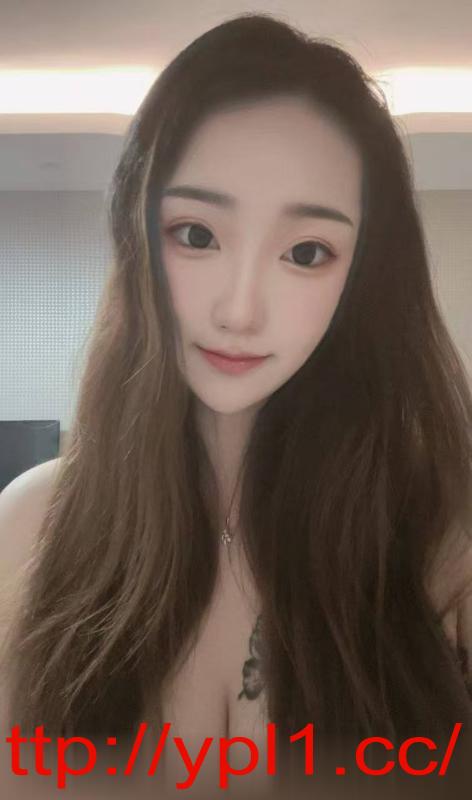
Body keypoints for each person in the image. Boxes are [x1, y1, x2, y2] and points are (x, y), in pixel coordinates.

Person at [1, 11, 471, 796]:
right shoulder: (30, 529)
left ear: (360, 278)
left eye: (306, 252)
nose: (240, 310)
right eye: (196, 235)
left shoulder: (440, 537)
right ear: (136, 237)